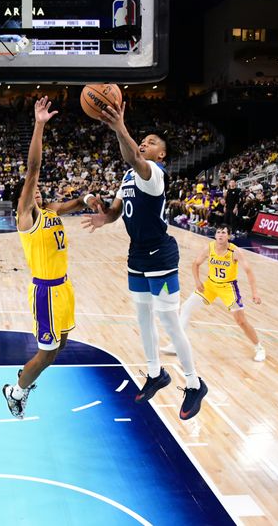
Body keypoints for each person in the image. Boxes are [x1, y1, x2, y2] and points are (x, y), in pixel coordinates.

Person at [82, 99, 207, 420]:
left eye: (151, 142)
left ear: (160, 154)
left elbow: (135, 158)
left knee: (168, 320)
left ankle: (194, 384)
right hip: (136, 253)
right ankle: (156, 374)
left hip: (161, 255)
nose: (144, 143)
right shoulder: (128, 176)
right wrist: (102, 216)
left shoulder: (154, 174)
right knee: (142, 317)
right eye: (144, 140)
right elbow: (115, 212)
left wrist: (119, 125)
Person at [2, 97, 102, 419]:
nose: (37, 191)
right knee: (46, 354)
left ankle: (26, 378)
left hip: (64, 289)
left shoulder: (51, 211)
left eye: (39, 190)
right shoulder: (26, 219)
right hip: (44, 291)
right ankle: (16, 390)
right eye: (31, 191)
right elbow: (33, 169)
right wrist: (40, 125)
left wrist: (87, 197)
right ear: (25, 196)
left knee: (59, 347)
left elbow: (72, 204)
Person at [161, 224, 265, 362]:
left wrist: (255, 293)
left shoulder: (235, 251)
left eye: (224, 232)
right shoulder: (209, 247)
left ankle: (259, 348)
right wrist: (197, 281)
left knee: (241, 321)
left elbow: (249, 271)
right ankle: (176, 345)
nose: (220, 235)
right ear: (215, 235)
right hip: (210, 285)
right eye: (218, 232)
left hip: (228, 288)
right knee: (186, 307)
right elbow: (196, 264)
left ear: (229, 236)